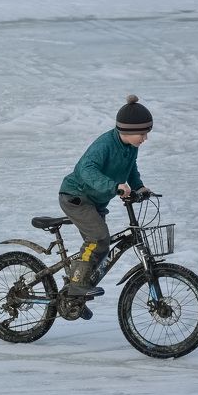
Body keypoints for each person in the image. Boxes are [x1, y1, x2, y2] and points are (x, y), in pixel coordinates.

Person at [58, 94, 153, 297]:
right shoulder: (105, 145)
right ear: (128, 130)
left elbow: (130, 169)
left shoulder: (130, 147)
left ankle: (73, 297)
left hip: (96, 201)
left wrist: (139, 187)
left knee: (100, 249)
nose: (145, 138)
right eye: (143, 134)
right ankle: (76, 287)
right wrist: (113, 186)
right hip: (77, 197)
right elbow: (86, 169)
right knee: (99, 238)